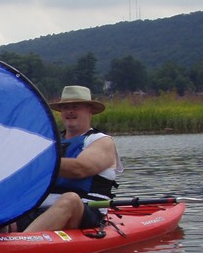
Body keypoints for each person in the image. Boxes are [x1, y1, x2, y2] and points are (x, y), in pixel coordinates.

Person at [16, 85, 123, 232]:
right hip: (40, 209)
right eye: (65, 107)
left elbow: (80, 169)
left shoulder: (101, 141)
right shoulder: (50, 142)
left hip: (85, 210)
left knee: (70, 199)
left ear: (89, 110)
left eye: (75, 107)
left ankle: (22, 246)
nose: (70, 111)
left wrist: (35, 163)